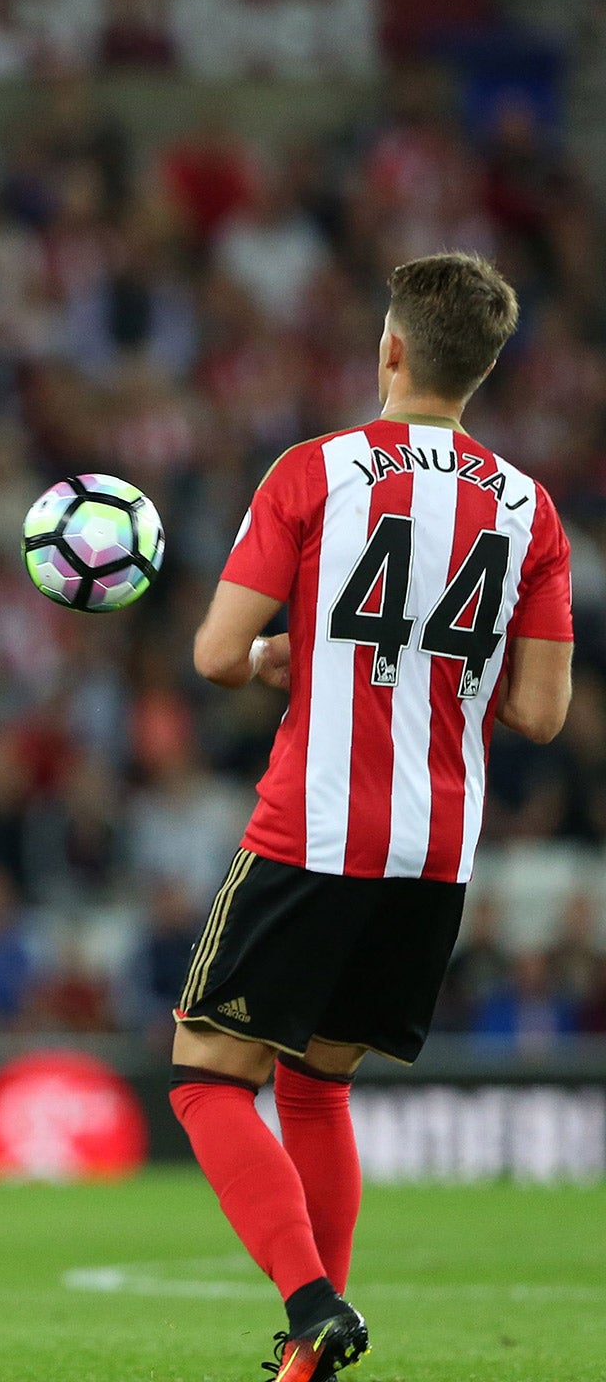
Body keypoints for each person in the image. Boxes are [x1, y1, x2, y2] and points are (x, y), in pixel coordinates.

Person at [179, 252, 573, 1381]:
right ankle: (308, 1362)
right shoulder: (527, 510)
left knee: (207, 1076)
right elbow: (540, 714)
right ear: (483, 372)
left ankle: (309, 1305)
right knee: (316, 1083)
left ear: (389, 349)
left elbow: (213, 657)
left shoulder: (316, 471)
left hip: (313, 829)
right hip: (436, 850)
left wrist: (278, 658)